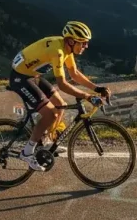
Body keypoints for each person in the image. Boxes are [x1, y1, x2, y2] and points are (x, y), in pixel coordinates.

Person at [8, 21, 110, 171]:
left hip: (32, 75)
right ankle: (27, 152)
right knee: (50, 114)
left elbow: (74, 74)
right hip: (20, 78)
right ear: (71, 41)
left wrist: (97, 88)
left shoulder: (66, 48)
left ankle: (47, 142)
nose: (86, 46)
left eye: (86, 43)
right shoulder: (58, 51)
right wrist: (87, 96)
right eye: (82, 43)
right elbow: (62, 84)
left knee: (60, 105)